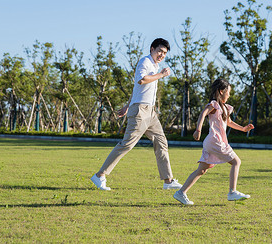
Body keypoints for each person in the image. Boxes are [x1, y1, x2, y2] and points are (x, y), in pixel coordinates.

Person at [91, 38, 182, 191]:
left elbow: (138, 90)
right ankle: (100, 175)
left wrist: (127, 105)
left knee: (161, 142)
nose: (161, 55)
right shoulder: (145, 62)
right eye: (160, 51)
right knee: (126, 145)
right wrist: (161, 75)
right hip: (140, 111)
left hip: (150, 112)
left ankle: (168, 180)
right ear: (152, 48)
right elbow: (141, 80)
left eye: (164, 53)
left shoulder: (155, 65)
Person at [173, 78, 254, 205]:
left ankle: (181, 192)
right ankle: (232, 192)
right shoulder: (214, 105)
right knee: (236, 162)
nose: (229, 95)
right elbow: (203, 113)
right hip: (215, 141)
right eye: (229, 92)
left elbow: (229, 122)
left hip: (211, 142)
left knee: (202, 170)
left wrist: (243, 129)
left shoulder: (225, 108)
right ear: (221, 91)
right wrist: (198, 130)